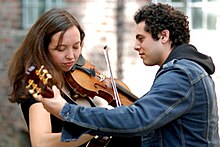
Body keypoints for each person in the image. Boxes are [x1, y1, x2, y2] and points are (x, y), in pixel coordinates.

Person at [36, 3, 220, 147]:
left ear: (164, 36)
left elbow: (136, 118)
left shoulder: (181, 75)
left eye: (141, 38)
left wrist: (65, 110)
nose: (135, 46)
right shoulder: (187, 70)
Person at [8, 8, 140, 147]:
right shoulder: (40, 84)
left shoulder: (75, 77)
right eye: (60, 49)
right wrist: (97, 127)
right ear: (42, 49)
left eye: (76, 47)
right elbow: (41, 142)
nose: (71, 56)